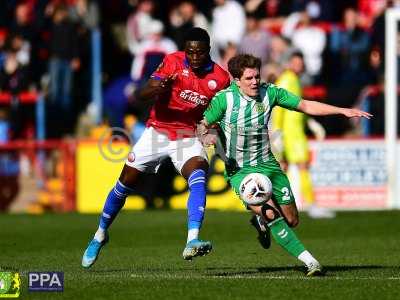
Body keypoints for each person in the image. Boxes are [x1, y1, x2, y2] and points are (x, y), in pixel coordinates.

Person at [198, 54, 371, 276]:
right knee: (273, 216)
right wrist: (206, 137)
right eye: (249, 78)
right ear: (236, 80)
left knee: (292, 219)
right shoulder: (224, 100)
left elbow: (305, 104)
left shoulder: (270, 92)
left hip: (268, 165)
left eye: (257, 77)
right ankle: (311, 262)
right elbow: (202, 124)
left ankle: (259, 221)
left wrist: (342, 110)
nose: (254, 82)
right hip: (241, 171)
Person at [81, 27, 230, 267]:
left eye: (199, 53)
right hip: (158, 131)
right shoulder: (172, 62)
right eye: (189, 52)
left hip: (187, 135)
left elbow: (220, 114)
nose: (193, 57)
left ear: (208, 51)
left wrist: (214, 133)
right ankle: (100, 234)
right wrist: (156, 89)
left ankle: (193, 239)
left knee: (199, 175)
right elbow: (141, 94)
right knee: (125, 183)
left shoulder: (220, 79)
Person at [273, 51, 335, 218]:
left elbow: (299, 106)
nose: (299, 66)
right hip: (289, 133)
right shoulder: (287, 80)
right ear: (289, 64)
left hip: (294, 132)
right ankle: (310, 205)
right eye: (296, 63)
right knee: (295, 167)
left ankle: (280, 205)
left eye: (301, 63)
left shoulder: (294, 80)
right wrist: (276, 134)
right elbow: (278, 108)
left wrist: (310, 123)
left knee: (288, 168)